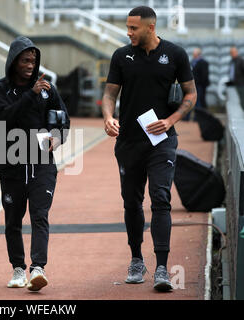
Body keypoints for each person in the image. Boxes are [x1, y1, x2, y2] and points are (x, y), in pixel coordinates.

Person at [101, 6, 197, 292]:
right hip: (129, 141)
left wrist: (170, 120)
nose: (128, 33)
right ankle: (136, 259)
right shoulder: (121, 56)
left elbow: (191, 94)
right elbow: (109, 94)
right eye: (128, 28)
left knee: (160, 198)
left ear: (150, 28)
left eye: (133, 28)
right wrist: (108, 117)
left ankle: (163, 268)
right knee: (132, 202)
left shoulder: (175, 55)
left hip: (162, 142)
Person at [0, 36, 70, 291]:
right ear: (13, 61)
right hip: (11, 164)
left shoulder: (48, 89)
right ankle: (17, 269)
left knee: (39, 215)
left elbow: (63, 121)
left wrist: (57, 139)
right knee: (13, 220)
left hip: (41, 164)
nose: (30, 66)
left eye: (33, 61)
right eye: (25, 60)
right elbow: (6, 117)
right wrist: (31, 96)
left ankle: (38, 268)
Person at [229, 46, 244, 111]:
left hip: (240, 84)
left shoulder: (241, 61)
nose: (232, 54)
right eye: (231, 53)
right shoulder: (232, 61)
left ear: (236, 52)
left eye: (233, 52)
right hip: (233, 84)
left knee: (242, 100)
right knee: (235, 101)